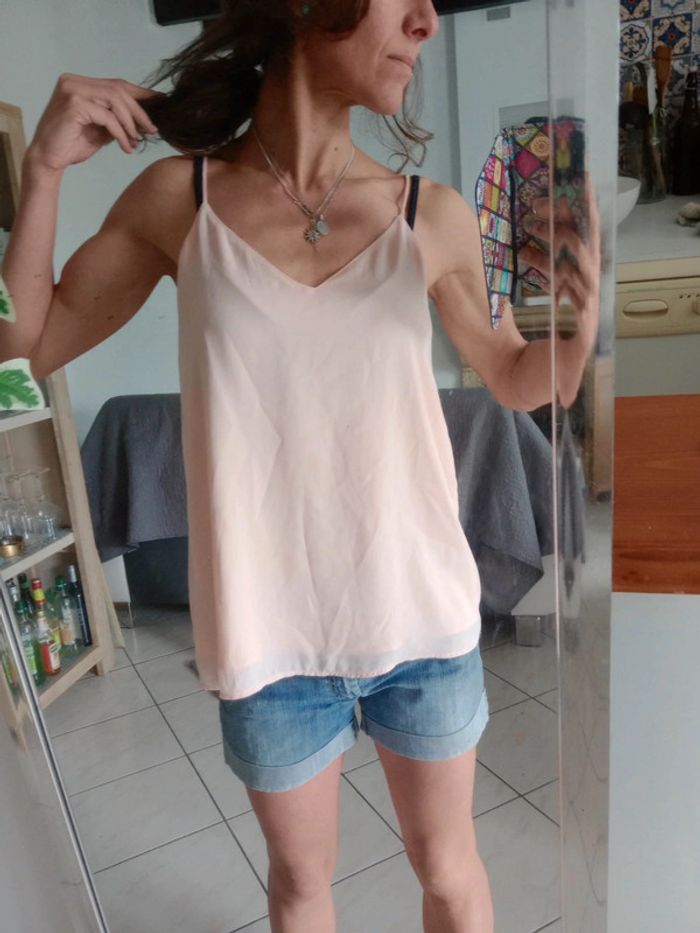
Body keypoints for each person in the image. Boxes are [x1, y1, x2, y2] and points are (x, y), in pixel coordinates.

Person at [0, 2, 599, 931]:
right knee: (300, 885)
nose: (427, 21)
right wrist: (40, 172)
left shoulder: (430, 213)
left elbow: (517, 380)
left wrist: (579, 330)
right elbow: (20, 356)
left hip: (422, 622)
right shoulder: (179, 200)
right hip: (268, 638)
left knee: (449, 872)